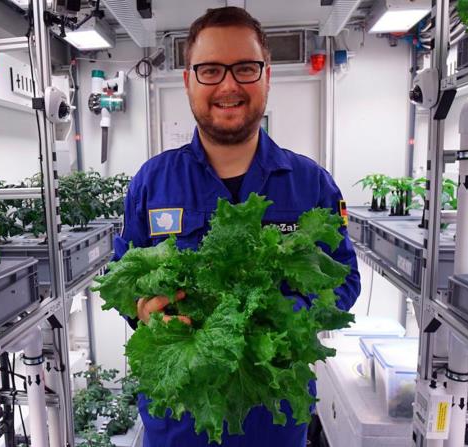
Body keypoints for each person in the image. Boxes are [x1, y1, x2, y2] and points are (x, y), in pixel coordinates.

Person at [111, 6, 362, 447]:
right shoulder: (151, 183)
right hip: (179, 425)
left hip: (274, 421)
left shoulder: (311, 184)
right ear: (188, 80)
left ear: (267, 77)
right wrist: (144, 309)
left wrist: (282, 319)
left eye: (245, 68)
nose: (228, 85)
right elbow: (123, 281)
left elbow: (342, 281)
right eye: (210, 70)